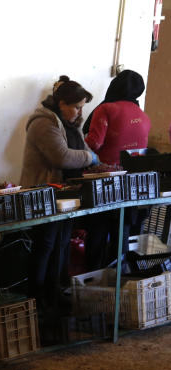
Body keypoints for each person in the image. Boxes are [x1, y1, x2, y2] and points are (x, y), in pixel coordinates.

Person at [20, 75, 97, 313]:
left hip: (65, 194)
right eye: (76, 107)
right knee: (46, 244)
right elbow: (61, 156)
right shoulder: (44, 122)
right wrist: (91, 158)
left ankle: (54, 293)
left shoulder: (69, 126)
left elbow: (82, 150)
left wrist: (95, 160)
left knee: (61, 244)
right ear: (62, 103)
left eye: (81, 108)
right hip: (43, 194)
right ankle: (37, 299)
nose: (79, 113)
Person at [82, 70, 151, 268]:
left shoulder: (106, 109)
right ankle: (117, 279)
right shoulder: (143, 116)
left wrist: (75, 147)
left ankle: (93, 281)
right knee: (122, 232)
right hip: (132, 184)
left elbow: (94, 143)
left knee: (97, 232)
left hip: (103, 183)